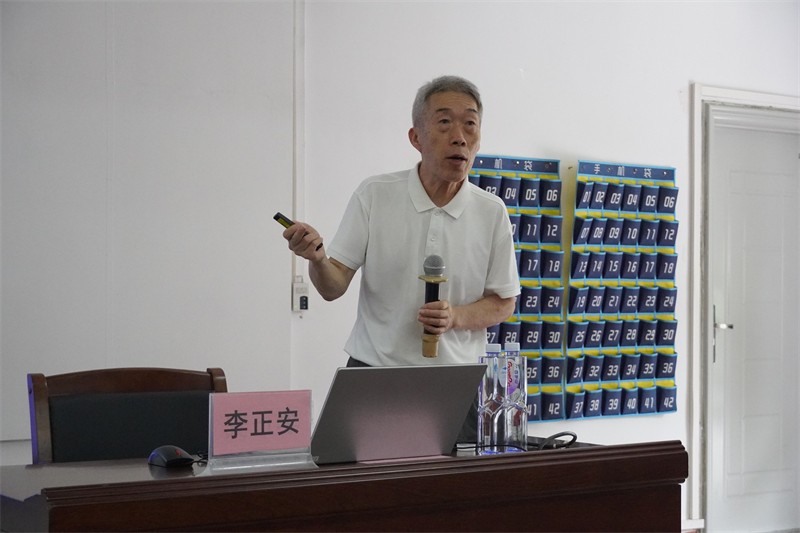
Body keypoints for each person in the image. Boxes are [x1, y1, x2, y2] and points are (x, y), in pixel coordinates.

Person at [282, 75, 520, 440]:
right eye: (444, 122)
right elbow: (333, 286)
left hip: (456, 382)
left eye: (470, 124)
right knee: (352, 475)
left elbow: (503, 302)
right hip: (375, 373)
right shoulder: (376, 194)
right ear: (416, 137)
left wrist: (456, 316)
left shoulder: (491, 211)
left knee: (458, 478)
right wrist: (317, 259)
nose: (459, 137)